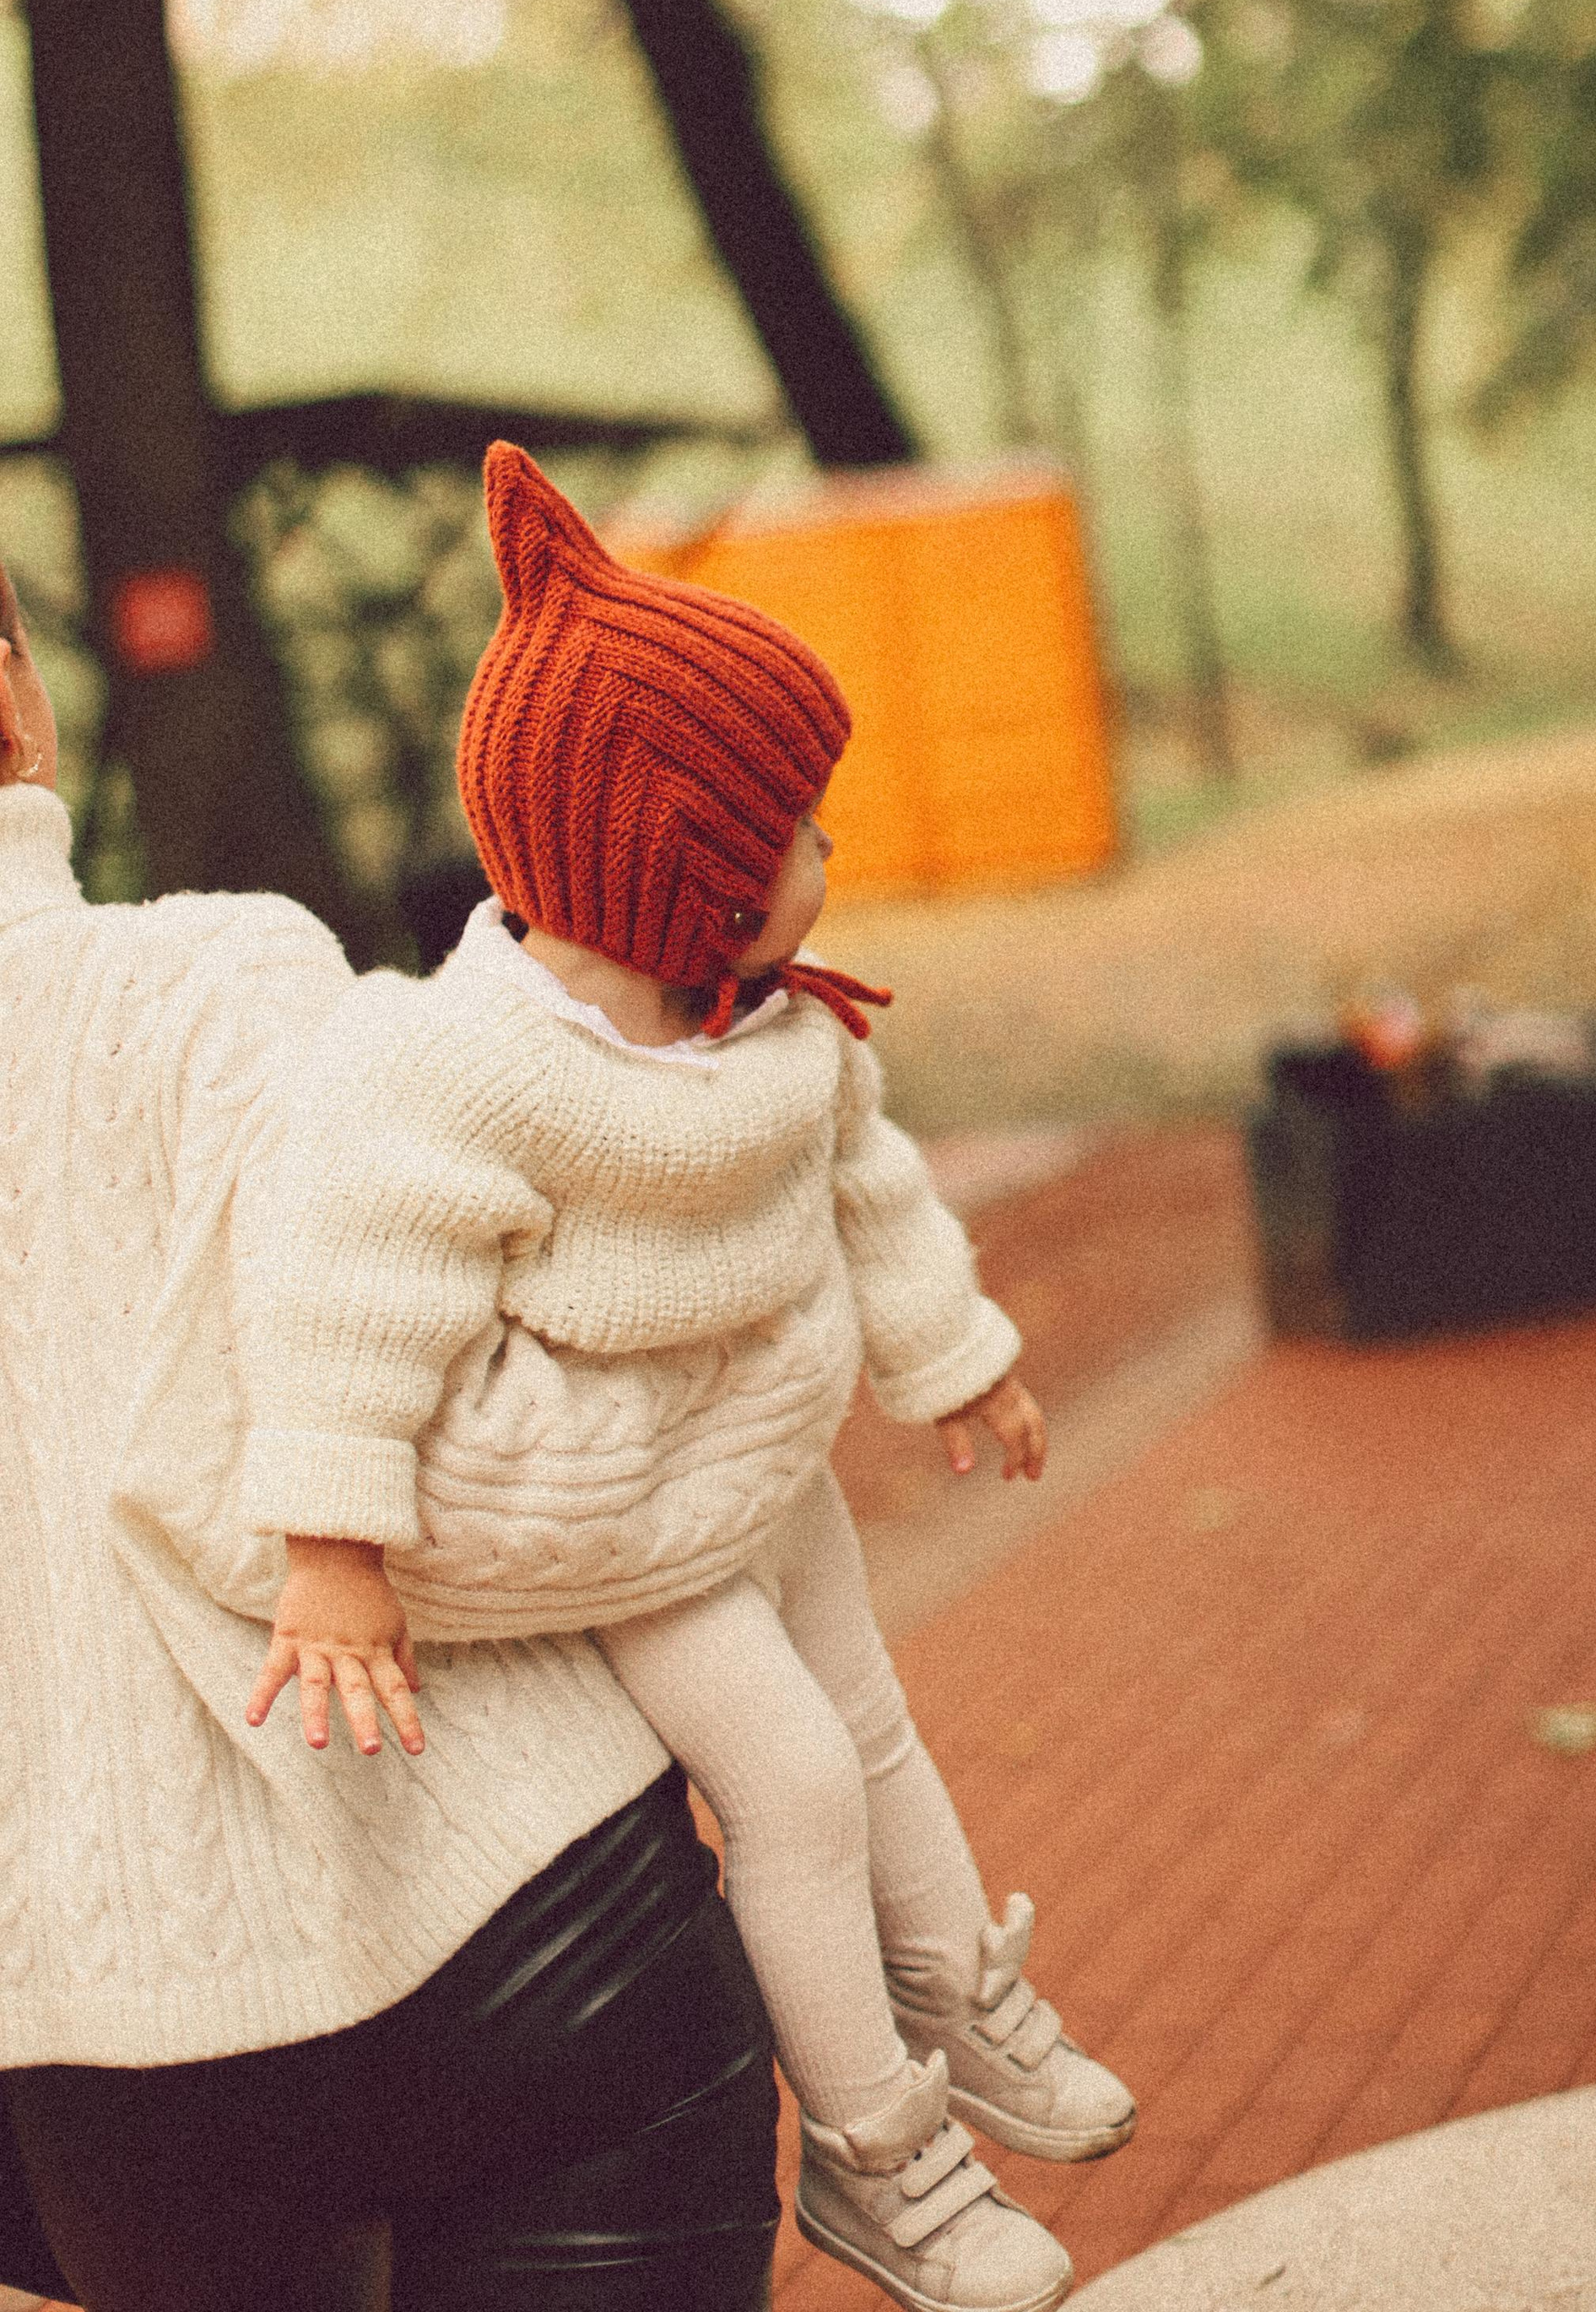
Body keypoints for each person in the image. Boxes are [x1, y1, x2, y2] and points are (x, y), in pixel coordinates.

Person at [241, 445, 1136, 2312]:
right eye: (800, 831)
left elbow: (865, 1176)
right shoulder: (474, 1073)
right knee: (796, 1784)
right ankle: (881, 2157)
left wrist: (953, 1357)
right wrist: (336, 1540)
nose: (832, 858)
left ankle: (960, 1999)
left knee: (875, 1719)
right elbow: (355, 1284)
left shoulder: (770, 1025)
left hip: (764, 1463)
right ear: (695, 883)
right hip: (627, 1520)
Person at [0, 555, 781, 2312]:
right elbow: (483, 1449)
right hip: (508, 1929)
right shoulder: (220, 979)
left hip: (97, 2053)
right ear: (14, 712)